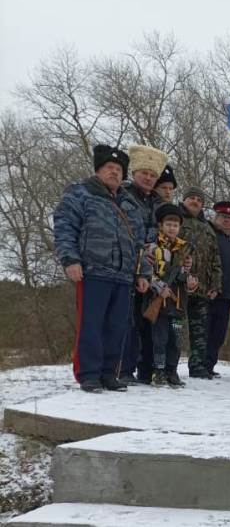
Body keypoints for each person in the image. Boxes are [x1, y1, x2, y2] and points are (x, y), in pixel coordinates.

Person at [53, 145, 149, 393]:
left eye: (119, 169)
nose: (115, 173)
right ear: (98, 169)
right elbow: (65, 227)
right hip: (93, 270)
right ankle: (89, 374)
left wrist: (142, 273)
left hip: (124, 275)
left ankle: (108, 373)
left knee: (117, 327)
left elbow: (140, 243)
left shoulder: (129, 204)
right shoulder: (80, 193)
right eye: (110, 168)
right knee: (92, 325)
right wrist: (70, 260)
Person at [120, 145, 168, 385]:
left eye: (152, 175)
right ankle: (125, 369)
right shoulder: (122, 195)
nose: (148, 178)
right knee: (128, 322)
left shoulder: (160, 203)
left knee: (149, 320)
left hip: (154, 269)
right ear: (134, 172)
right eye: (144, 173)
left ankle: (147, 370)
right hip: (128, 265)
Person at [146, 203, 197, 387]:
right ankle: (158, 372)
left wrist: (190, 281)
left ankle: (172, 371)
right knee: (160, 340)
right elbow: (147, 272)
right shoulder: (153, 247)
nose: (172, 228)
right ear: (161, 225)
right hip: (160, 304)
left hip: (178, 304)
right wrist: (160, 287)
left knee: (176, 341)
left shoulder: (185, 249)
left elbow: (186, 276)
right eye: (168, 224)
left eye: (175, 225)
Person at [179, 187, 222, 379]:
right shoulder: (176, 220)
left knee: (200, 331)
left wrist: (215, 285)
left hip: (202, 288)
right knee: (174, 328)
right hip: (178, 285)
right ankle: (167, 365)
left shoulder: (208, 228)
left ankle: (197, 366)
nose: (195, 202)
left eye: (199, 199)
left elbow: (215, 260)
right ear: (184, 200)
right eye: (191, 198)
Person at [206, 200, 230, 378]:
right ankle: (199, 364)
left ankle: (210, 364)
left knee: (219, 333)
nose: (227, 221)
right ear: (216, 217)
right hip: (209, 292)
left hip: (227, 293)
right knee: (204, 330)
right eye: (223, 217)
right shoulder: (209, 234)